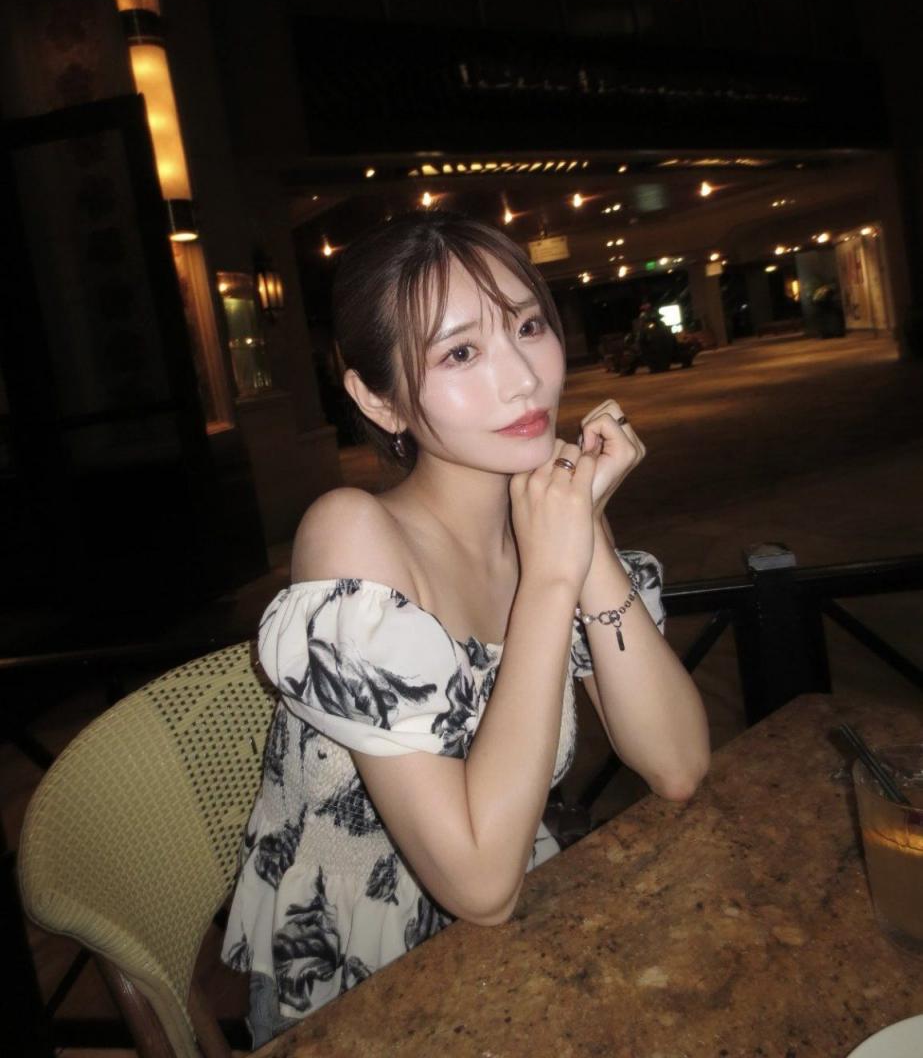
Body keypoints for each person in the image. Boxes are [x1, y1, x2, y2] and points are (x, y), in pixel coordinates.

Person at [221, 210, 710, 1043]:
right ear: (377, 399)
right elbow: (478, 886)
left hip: (521, 924)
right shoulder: (353, 536)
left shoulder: (546, 521)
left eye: (527, 326)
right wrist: (550, 575)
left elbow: (675, 764)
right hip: (358, 980)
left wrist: (585, 538)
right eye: (459, 353)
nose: (521, 380)